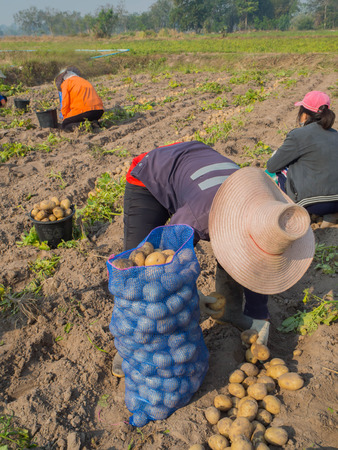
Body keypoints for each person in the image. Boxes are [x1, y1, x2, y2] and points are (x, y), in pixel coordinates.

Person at [111, 141, 315, 377]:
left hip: (198, 165)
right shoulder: (199, 217)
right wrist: (192, 296)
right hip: (152, 173)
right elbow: (163, 261)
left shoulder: (266, 207)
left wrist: (259, 314)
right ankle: (131, 345)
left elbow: (259, 262)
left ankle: (230, 310)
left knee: (247, 252)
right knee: (139, 266)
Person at [266, 90, 338, 220]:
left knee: (279, 169)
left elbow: (272, 166)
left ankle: (291, 215)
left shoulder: (298, 135)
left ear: (304, 115)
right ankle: (330, 215)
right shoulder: (336, 135)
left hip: (313, 204)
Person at [54, 66, 104, 131]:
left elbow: (65, 103)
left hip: (85, 111)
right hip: (99, 111)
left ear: (62, 79)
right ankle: (94, 122)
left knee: (65, 125)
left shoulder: (66, 83)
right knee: (83, 116)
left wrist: (65, 118)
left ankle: (85, 126)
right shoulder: (83, 80)